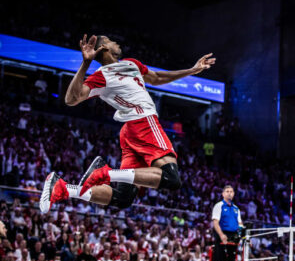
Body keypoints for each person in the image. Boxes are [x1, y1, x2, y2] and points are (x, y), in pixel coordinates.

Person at [39, 34, 215, 213]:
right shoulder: (102, 76)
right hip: (143, 121)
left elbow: (156, 78)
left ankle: (63, 188)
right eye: (110, 40)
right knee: (171, 178)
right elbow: (71, 99)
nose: (116, 42)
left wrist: (192, 70)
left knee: (123, 198)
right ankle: (105, 173)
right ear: (104, 48)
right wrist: (86, 63)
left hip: (131, 131)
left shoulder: (131, 63)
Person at [211, 185, 243, 261]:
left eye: (231, 191)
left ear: (233, 194)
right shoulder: (219, 205)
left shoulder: (236, 209)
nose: (229, 193)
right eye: (227, 191)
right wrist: (221, 235)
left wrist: (245, 236)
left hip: (233, 238)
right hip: (221, 236)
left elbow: (240, 224)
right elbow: (215, 223)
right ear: (223, 194)